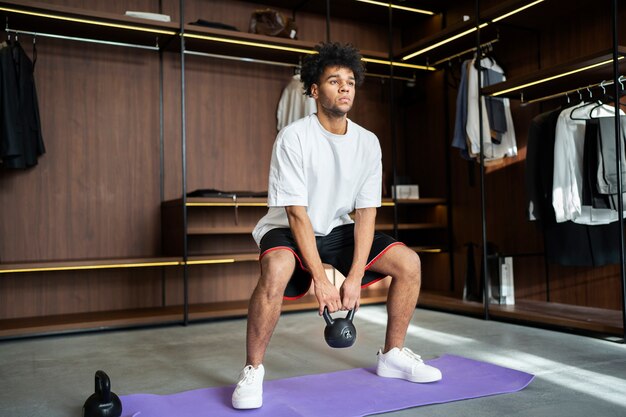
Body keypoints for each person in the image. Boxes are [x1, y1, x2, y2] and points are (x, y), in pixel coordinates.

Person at [231, 42, 442, 410]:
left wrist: (355, 276)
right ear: (315, 90)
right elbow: (297, 215)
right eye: (334, 81)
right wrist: (322, 280)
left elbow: (366, 214)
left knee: (409, 263)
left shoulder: (367, 143)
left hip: (336, 227)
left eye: (350, 81)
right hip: (288, 226)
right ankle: (253, 370)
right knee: (278, 266)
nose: (345, 87)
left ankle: (392, 355)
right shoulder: (294, 137)